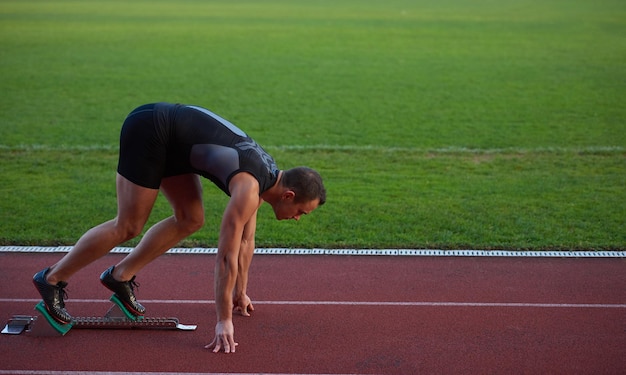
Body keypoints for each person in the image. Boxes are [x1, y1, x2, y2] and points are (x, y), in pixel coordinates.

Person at [32, 102, 326, 353]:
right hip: (150, 130)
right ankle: (53, 278)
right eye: (301, 211)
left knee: (190, 219)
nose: (298, 217)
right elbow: (226, 256)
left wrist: (241, 292)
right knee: (129, 224)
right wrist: (224, 319)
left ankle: (119, 276)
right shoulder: (250, 187)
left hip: (174, 143)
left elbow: (247, 242)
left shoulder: (268, 177)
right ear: (288, 195)